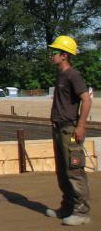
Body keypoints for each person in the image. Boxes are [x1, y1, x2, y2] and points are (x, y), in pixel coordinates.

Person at [45, 35, 92, 227]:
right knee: (62, 171)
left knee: (74, 171)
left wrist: (81, 126)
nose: (51, 55)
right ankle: (67, 207)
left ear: (64, 55)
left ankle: (81, 212)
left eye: (54, 52)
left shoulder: (73, 75)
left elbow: (86, 99)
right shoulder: (61, 75)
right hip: (59, 129)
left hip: (70, 130)